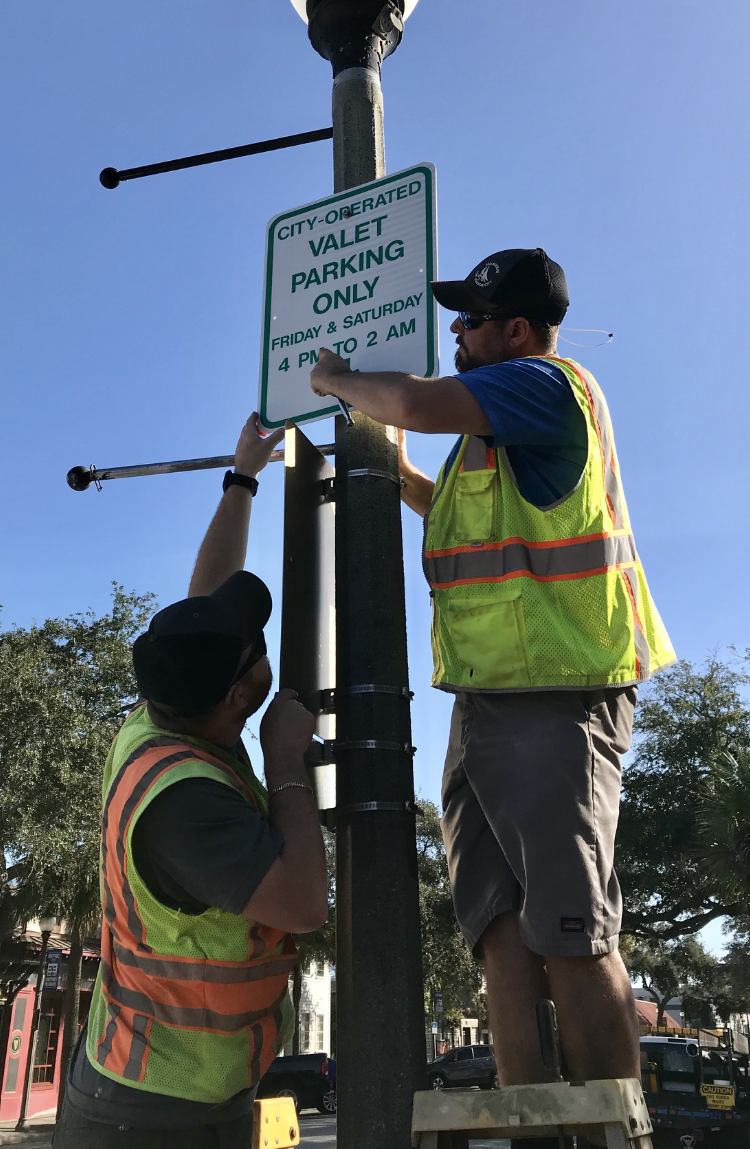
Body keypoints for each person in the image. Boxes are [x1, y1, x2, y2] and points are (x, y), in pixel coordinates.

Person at [309, 247, 675, 1088]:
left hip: (557, 697)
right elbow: (467, 525)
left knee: (573, 939)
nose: (454, 334)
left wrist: (334, 379)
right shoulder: (494, 433)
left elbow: (406, 399)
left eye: (468, 322)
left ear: (515, 330)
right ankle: (529, 1127)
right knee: (500, 936)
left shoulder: (543, 386)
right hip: (483, 704)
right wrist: (399, 475)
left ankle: (614, 1137)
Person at [54, 413, 328, 1149]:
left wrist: (242, 479)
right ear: (243, 696)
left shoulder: (177, 707)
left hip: (192, 1090)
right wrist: (285, 763)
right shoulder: (184, 801)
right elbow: (302, 903)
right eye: (254, 652)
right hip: (149, 1108)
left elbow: (203, 598)